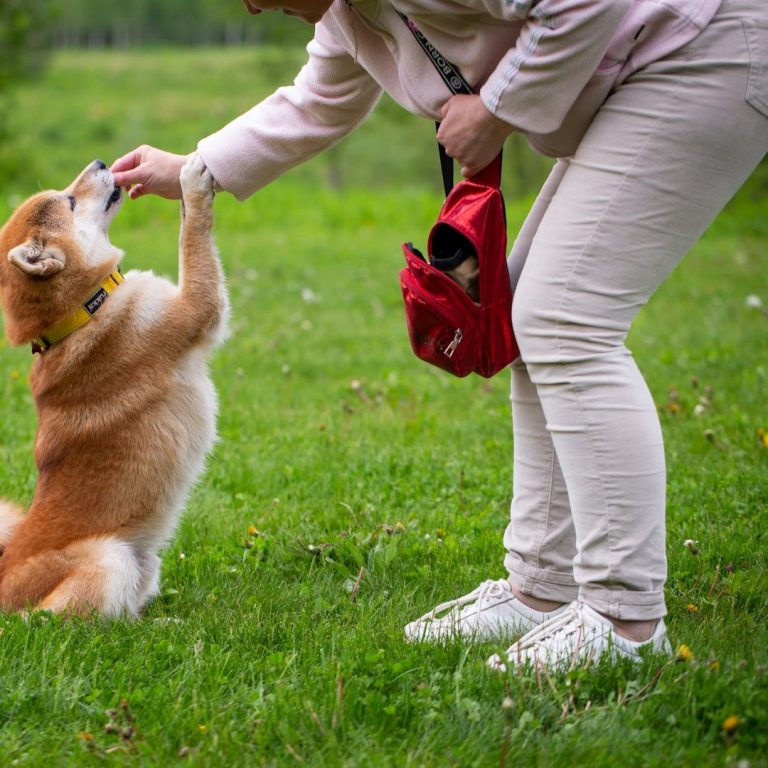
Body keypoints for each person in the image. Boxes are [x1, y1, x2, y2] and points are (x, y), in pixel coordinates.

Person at [112, 0, 768, 671]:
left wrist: (498, 110)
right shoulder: (347, 14)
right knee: (527, 316)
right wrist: (195, 169)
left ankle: (624, 619)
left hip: (700, 49)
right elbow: (317, 101)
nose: (254, 5)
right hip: (647, 69)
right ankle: (541, 588)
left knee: (566, 319)